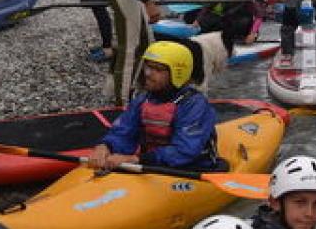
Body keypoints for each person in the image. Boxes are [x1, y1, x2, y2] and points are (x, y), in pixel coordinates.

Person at [87, 40, 222, 171]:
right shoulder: (143, 100)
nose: (148, 73)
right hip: (152, 163)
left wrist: (137, 159)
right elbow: (123, 131)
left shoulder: (194, 105)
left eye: (158, 69)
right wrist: (106, 147)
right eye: (148, 66)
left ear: (178, 73)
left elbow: (186, 150)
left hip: (191, 167)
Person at [196, 0, 263, 53]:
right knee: (208, 19)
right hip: (229, 22)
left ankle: (236, 39)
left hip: (244, 27)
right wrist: (198, 20)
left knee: (241, 21)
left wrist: (253, 33)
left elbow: (259, 15)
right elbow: (209, 6)